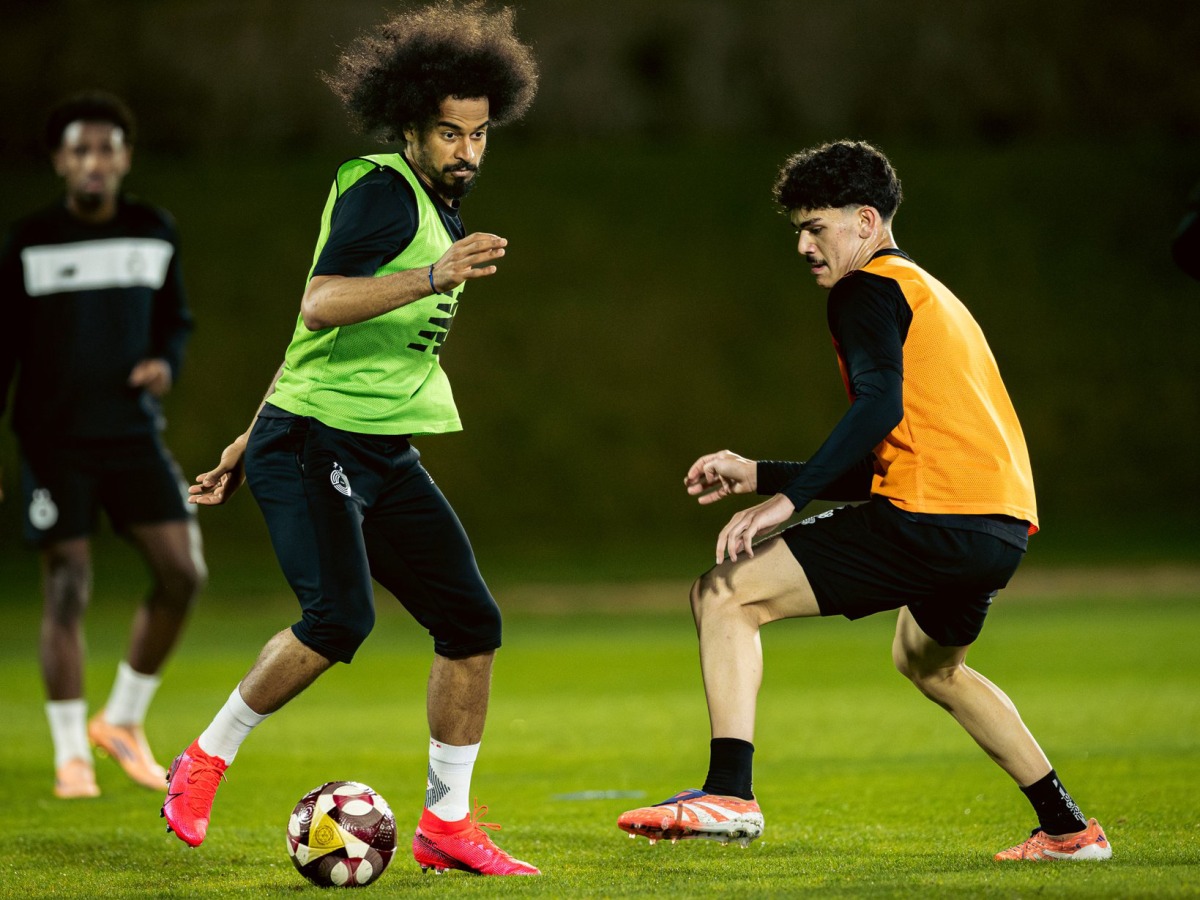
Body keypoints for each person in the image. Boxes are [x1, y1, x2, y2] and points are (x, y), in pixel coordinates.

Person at [617, 140, 1112, 862]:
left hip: (932, 515)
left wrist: (789, 502)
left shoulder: (865, 288)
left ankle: (729, 793)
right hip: (997, 528)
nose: (803, 244)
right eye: (797, 228)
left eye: (816, 226)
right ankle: (1069, 829)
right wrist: (760, 473)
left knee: (724, 593)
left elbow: (877, 408)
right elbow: (902, 444)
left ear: (867, 220)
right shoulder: (929, 292)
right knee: (930, 663)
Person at [159, 1, 541, 877]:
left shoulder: (438, 207)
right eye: (449, 133)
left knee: (470, 622)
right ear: (410, 125)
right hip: (314, 442)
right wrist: (433, 275)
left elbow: (311, 346)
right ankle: (204, 757)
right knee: (338, 620)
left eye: (480, 136)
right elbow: (321, 302)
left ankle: (447, 826)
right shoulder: (379, 188)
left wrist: (238, 438)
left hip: (373, 446)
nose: (467, 152)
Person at [0, 91, 206, 799]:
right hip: (55, 442)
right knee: (67, 586)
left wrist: (164, 364)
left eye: (107, 147)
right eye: (80, 149)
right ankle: (70, 757)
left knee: (183, 572)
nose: (94, 161)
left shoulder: (155, 230)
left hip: (131, 435)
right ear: (60, 160)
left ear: (124, 157)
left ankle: (119, 721)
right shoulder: (30, 242)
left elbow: (175, 322)